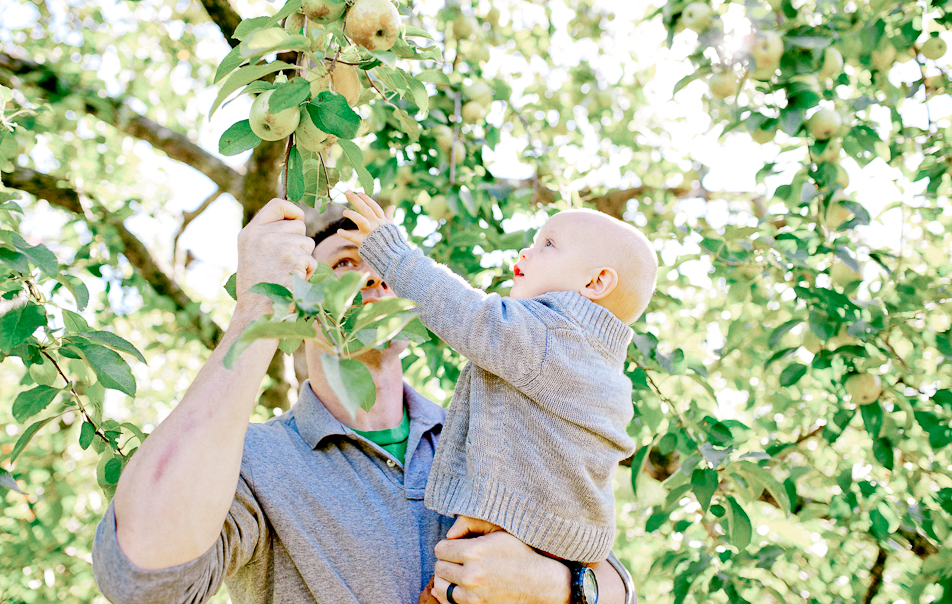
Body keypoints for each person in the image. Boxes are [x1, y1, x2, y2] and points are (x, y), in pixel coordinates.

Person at [91, 198, 638, 604]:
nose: (374, 273)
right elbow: (142, 580)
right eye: (346, 263)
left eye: (382, 261)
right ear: (298, 300)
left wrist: (559, 586)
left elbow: (613, 579)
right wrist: (256, 306)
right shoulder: (254, 463)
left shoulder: (490, 430)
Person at [341, 192, 657, 594]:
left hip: (514, 534)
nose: (528, 249)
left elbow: (466, 313)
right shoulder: (602, 366)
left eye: (549, 244)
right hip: (563, 548)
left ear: (595, 282)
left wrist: (394, 255)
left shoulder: (549, 336)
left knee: (449, 588)